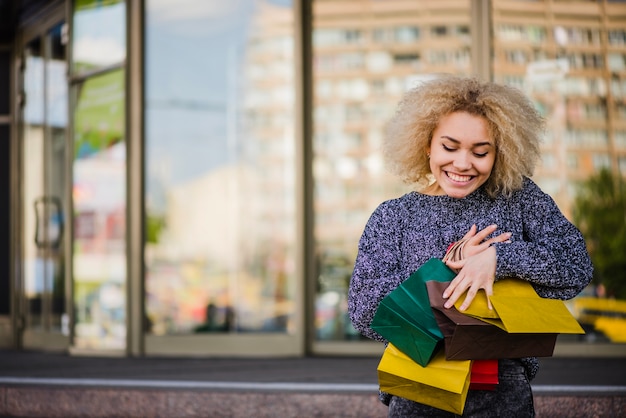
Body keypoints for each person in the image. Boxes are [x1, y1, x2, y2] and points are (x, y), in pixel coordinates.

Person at [348, 76, 593, 417]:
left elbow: (575, 267)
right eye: (449, 147)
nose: (463, 164)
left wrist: (498, 258)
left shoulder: (519, 200)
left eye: (480, 152)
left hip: (504, 396)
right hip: (419, 393)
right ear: (426, 146)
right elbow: (365, 312)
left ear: (499, 152)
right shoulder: (394, 216)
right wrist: (446, 272)